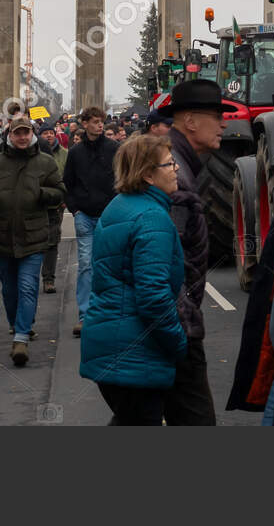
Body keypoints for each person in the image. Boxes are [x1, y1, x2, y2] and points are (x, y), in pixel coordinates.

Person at [79, 134, 186, 424]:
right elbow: (153, 296)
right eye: (169, 164)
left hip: (110, 343)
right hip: (135, 351)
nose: (176, 169)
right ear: (149, 175)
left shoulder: (119, 206)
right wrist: (178, 343)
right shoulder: (152, 218)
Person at [0, 116, 64, 366]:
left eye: (26, 133)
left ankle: (21, 338)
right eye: (18, 133)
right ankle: (17, 323)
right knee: (8, 288)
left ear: (32, 135)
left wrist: (41, 194)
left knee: (27, 286)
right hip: (4, 235)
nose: (22, 137)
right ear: (10, 136)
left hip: (34, 236)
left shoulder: (45, 162)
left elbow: (59, 191)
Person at [165, 79, 224, 424]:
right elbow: (165, 263)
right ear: (190, 121)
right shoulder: (176, 175)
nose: (224, 123)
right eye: (216, 115)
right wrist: (180, 327)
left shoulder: (175, 164)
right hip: (176, 326)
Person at [62, 107, 119, 338]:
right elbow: (68, 182)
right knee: (86, 264)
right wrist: (74, 209)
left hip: (109, 214)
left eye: (101, 122)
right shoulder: (75, 153)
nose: (99, 126)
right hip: (84, 214)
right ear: (85, 124)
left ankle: (108, 313)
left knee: (109, 264)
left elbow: (121, 178)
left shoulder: (114, 149)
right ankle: (85, 314)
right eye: (95, 122)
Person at [37, 127, 67, 295]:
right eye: (45, 133)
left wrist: (63, 199)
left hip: (54, 207)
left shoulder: (63, 155)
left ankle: (48, 278)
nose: (49, 135)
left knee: (51, 242)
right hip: (32, 207)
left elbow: (66, 180)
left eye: (51, 132)